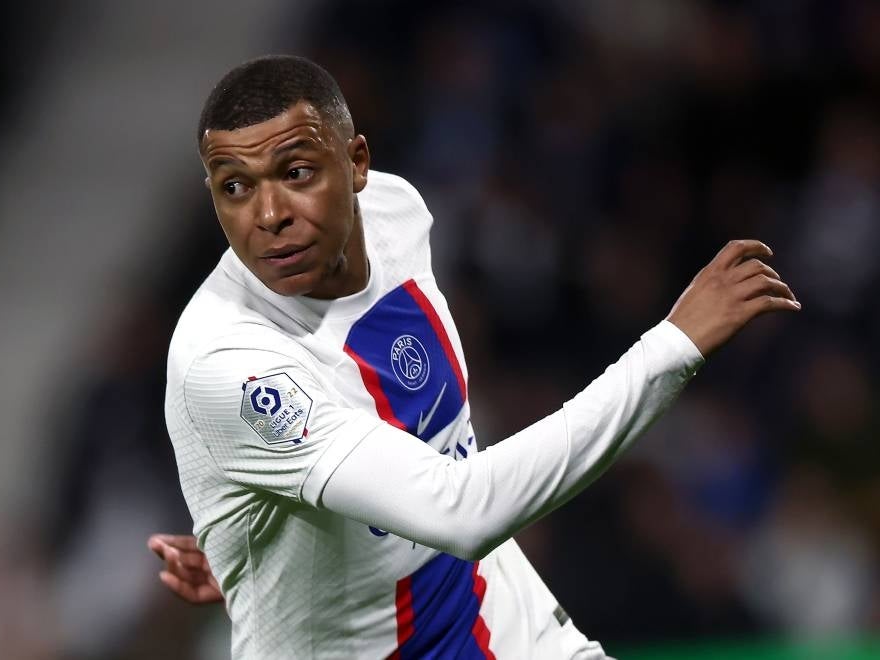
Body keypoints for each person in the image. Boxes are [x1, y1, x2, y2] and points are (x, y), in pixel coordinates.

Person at [149, 55, 800, 658]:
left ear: (356, 164)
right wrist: (673, 345)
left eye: (296, 173)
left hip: (507, 629)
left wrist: (270, 561)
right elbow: (459, 510)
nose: (268, 214)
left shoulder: (395, 213)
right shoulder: (228, 360)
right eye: (235, 186)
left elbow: (427, 453)